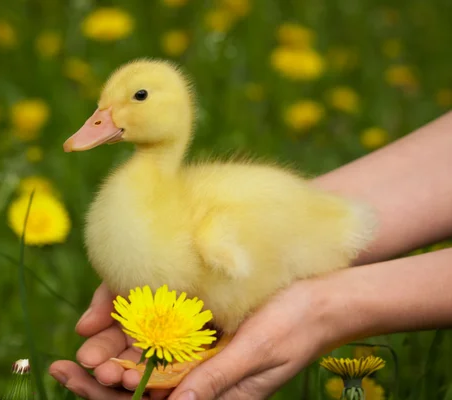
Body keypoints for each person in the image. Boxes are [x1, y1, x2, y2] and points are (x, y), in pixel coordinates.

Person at [49, 110, 452, 400]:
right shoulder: (188, 203)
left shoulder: (209, 231)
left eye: (135, 99)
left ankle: (212, 348)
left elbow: (241, 253)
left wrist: (322, 308)